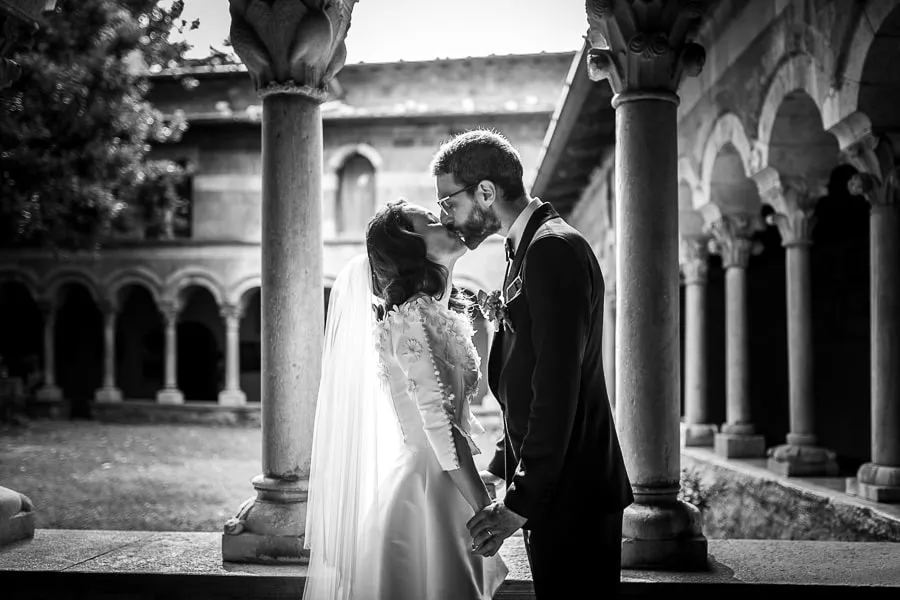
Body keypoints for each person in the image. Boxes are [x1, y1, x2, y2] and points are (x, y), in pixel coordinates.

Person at [432, 129, 634, 598]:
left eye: (449, 202)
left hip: (575, 492)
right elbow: (528, 377)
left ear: (486, 191)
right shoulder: (524, 248)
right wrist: (502, 465)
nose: (447, 216)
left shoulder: (552, 249)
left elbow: (558, 388)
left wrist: (517, 504)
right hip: (557, 487)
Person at [303, 199, 507, 600]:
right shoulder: (415, 316)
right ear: (410, 247)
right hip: (428, 497)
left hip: (441, 483)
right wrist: (488, 512)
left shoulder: (428, 311)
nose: (444, 220)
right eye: (430, 220)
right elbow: (441, 427)